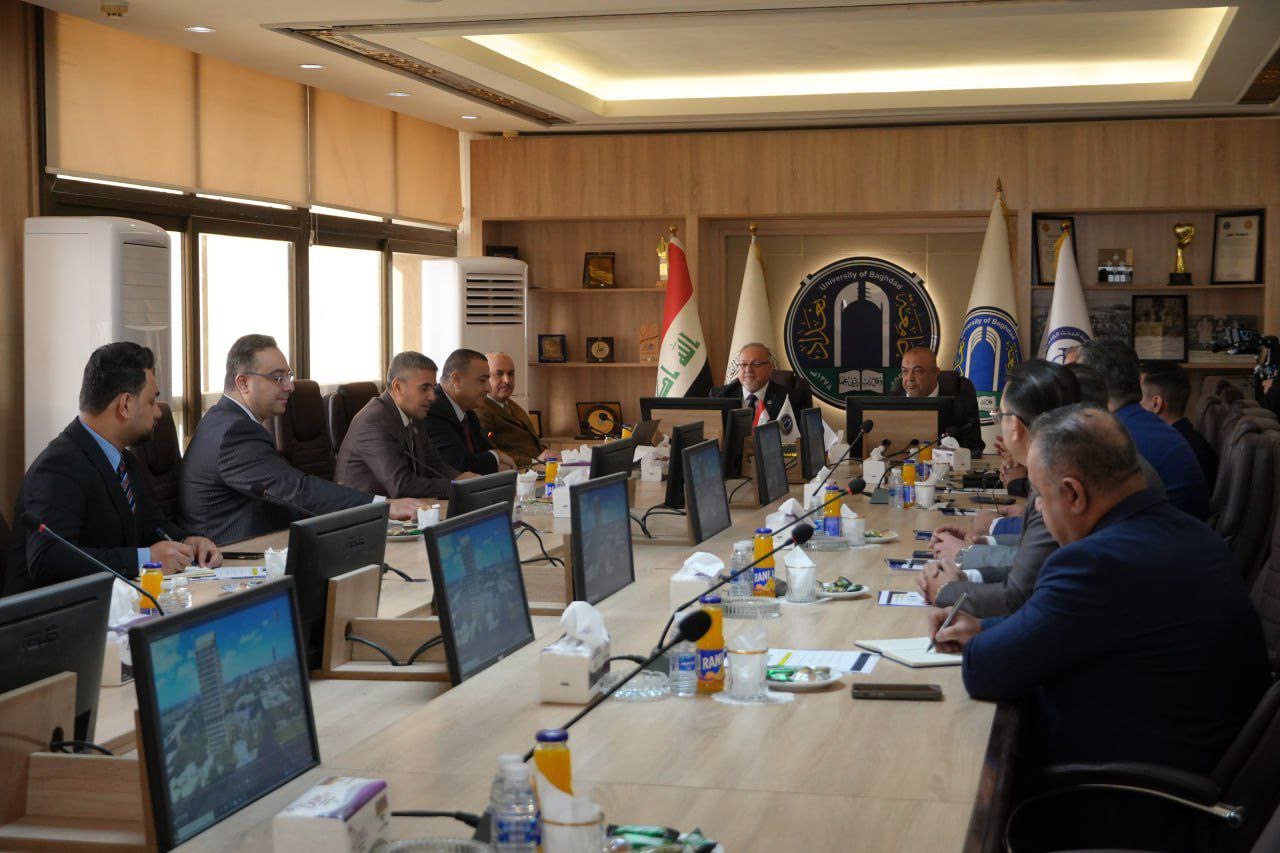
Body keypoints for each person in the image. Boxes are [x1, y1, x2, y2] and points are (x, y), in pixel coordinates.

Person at [929, 405, 1269, 850]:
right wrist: (983, 627)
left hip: (1124, 806)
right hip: (1187, 776)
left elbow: (985, 670)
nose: (1039, 511)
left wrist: (982, 641)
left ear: (1073, 494)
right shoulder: (1190, 534)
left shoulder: (1094, 563)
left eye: (1039, 497)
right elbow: (1060, 628)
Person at [5, 342, 221, 596]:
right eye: (152, 401)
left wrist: (188, 541)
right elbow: (48, 559)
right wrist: (145, 559)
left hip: (113, 603)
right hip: (53, 615)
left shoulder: (125, 460)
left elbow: (153, 525)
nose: (158, 413)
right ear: (125, 405)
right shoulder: (58, 467)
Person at [180, 334, 421, 544]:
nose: (290, 387)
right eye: (278, 378)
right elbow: (295, 489)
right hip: (232, 556)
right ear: (243, 382)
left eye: (289, 376)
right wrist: (383, 506)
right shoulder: (234, 432)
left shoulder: (224, 420)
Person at [918, 360, 1078, 616]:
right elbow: (1030, 564)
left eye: (999, 416)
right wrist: (982, 546)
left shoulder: (1057, 482)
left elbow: (1019, 595)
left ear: (1014, 426)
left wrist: (951, 586)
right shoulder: (1060, 463)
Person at [1078, 338, 1209, 519]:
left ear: (1094, 386)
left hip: (1162, 533)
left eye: (1080, 381)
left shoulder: (1114, 437)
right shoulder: (1148, 424)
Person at [336, 351, 476, 498]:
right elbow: (401, 485)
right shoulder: (373, 422)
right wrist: (456, 486)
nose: (432, 397)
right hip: (364, 510)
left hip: (402, 507)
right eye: (424, 388)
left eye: (433, 388)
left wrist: (459, 477)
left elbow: (433, 463)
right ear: (398, 387)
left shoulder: (414, 414)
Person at [424, 348, 515, 476]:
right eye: (482, 381)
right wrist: (497, 456)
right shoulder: (432, 410)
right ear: (456, 380)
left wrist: (496, 458)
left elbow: (484, 451)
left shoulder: (468, 413)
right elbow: (459, 464)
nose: (489, 388)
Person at [887, 346, 984, 453]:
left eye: (918, 371)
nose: (909, 378)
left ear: (935, 373)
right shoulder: (893, 400)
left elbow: (975, 446)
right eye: (905, 371)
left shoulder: (961, 399)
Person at [1140, 361, 1218, 487]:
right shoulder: (1189, 442)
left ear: (1156, 404)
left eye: (1138, 399)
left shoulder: (1168, 453)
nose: (1134, 407)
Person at [474, 352, 550, 468]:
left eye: (511, 374)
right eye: (499, 374)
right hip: (519, 472)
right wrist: (534, 461)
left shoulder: (511, 405)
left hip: (540, 468)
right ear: (485, 378)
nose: (507, 380)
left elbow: (533, 443)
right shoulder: (480, 410)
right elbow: (492, 454)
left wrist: (549, 455)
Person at [710, 342, 813, 427]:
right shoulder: (720, 396)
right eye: (743, 364)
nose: (748, 369)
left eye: (756, 364)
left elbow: (798, 439)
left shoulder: (791, 399)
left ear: (770, 368)